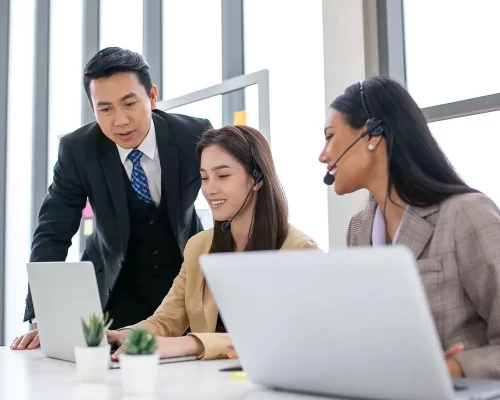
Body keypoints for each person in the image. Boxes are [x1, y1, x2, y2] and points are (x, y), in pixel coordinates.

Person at [11, 47, 211, 350]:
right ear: (92, 108)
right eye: (105, 109)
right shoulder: (78, 151)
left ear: (152, 96)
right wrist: (43, 316)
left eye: (130, 103)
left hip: (182, 290)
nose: (120, 121)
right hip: (113, 291)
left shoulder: (194, 135)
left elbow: (229, 203)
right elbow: (53, 231)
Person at [319, 76, 500, 379]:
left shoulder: (465, 214)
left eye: (329, 136)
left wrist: (454, 367)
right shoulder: (358, 229)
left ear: (372, 134)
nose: (323, 155)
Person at [107, 125, 318, 360]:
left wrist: (193, 344)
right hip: (208, 382)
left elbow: (285, 335)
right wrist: (126, 335)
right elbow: (168, 319)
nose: (210, 189)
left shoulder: (298, 251)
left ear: (258, 178)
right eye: (205, 178)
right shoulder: (199, 247)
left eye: (223, 176)